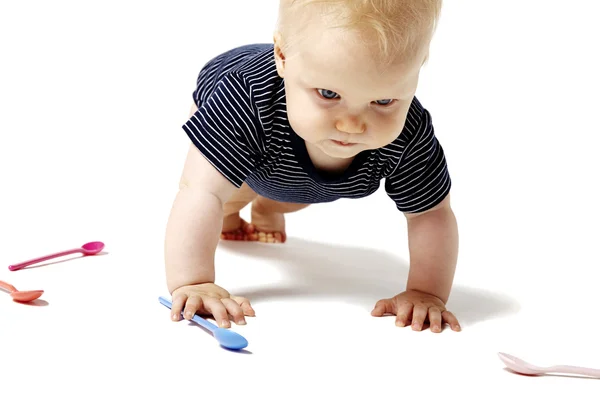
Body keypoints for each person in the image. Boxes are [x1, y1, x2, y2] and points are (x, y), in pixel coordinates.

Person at [164, 0, 461, 333]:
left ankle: (267, 208)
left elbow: (430, 213)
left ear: (418, 68)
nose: (351, 126)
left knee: (299, 191)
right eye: (328, 93)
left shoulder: (411, 131)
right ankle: (235, 215)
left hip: (302, 173)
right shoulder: (245, 95)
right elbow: (200, 190)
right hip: (232, 106)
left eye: (382, 101)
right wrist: (194, 282)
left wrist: (426, 291)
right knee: (228, 189)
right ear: (283, 57)